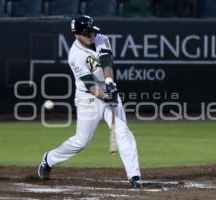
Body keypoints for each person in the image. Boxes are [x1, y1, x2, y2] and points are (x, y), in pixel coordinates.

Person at [38, 15, 141, 187]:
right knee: (81, 142)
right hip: (88, 97)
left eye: (92, 31)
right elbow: (91, 86)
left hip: (108, 89)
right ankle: (49, 159)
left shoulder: (102, 38)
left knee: (123, 132)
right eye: (87, 32)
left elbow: (106, 62)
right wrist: (107, 96)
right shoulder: (75, 56)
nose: (91, 35)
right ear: (77, 34)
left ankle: (134, 176)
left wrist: (110, 84)